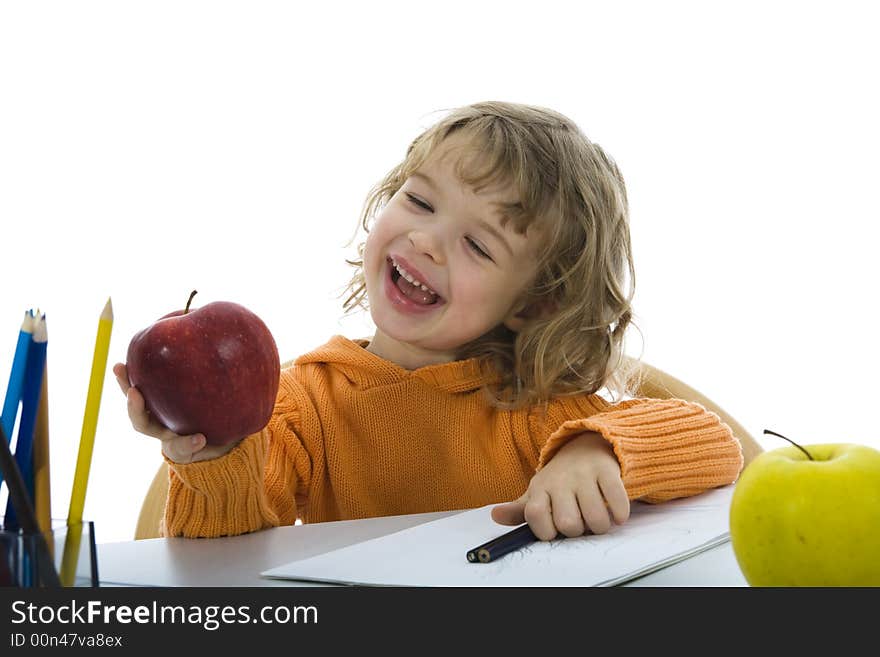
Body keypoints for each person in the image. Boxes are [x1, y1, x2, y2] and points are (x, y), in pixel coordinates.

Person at [113, 101, 746, 540]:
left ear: (532, 304)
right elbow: (221, 549)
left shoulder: (538, 410)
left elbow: (721, 449)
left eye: (478, 245)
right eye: (418, 201)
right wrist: (215, 451)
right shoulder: (308, 401)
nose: (427, 242)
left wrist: (595, 450)